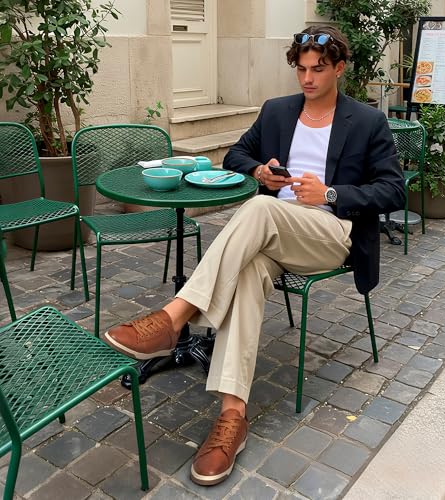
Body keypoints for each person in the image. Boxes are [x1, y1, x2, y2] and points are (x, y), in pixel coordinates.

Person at [104, 24, 405, 486]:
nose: (307, 79)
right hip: (269, 235)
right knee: (247, 272)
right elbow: (236, 156)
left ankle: (174, 316)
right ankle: (232, 416)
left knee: (260, 210)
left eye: (318, 69)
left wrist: (330, 193)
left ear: (339, 68)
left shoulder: (367, 121)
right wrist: (260, 170)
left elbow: (393, 190)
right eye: (301, 69)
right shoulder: (278, 110)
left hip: (329, 233)